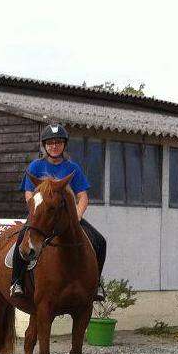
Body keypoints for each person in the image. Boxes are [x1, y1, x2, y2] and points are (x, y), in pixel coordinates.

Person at [12, 122, 107, 302]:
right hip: (41, 217)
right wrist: (37, 211)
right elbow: (28, 193)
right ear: (45, 146)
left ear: (64, 145)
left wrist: (77, 214)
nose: (54, 146)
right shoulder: (35, 167)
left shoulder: (73, 168)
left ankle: (97, 284)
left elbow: (83, 196)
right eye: (50, 143)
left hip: (67, 218)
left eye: (58, 142)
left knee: (100, 241)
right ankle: (16, 281)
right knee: (21, 241)